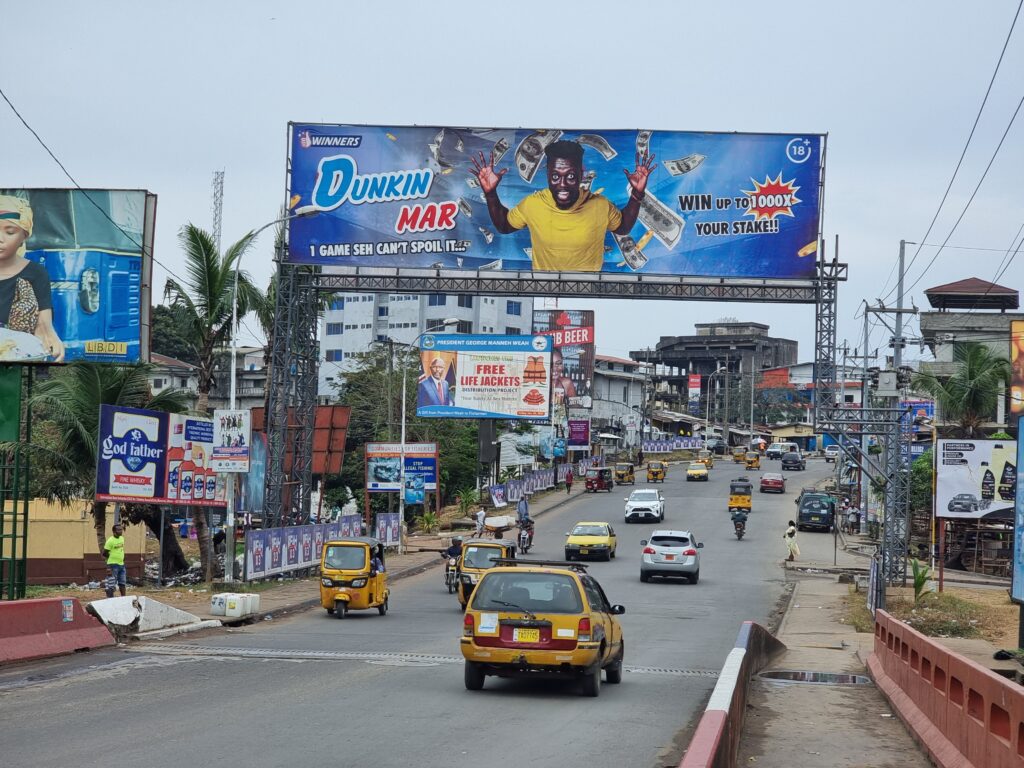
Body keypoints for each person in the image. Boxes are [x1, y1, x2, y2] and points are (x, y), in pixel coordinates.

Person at [470, 140, 656, 272]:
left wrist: (638, 194)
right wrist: (490, 193)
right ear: (547, 174)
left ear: (581, 174)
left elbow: (623, 227)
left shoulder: (600, 205)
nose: (563, 184)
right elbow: (503, 226)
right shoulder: (533, 205)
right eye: (556, 176)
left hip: (589, 292)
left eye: (571, 176)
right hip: (545, 289)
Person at [0, 195, 64, 362]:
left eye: (9, 232)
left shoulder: (36, 273)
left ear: (24, 236)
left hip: (14, 364)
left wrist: (51, 339)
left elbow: (44, 325)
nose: (0, 239)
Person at [102, 523, 127, 598]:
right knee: (111, 584)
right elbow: (104, 553)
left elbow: (121, 549)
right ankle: (110, 599)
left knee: (122, 583)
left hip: (121, 564)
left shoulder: (122, 538)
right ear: (114, 531)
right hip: (113, 565)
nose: (121, 531)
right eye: (118, 530)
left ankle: (124, 598)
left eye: (121, 529)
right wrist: (112, 558)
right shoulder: (110, 541)